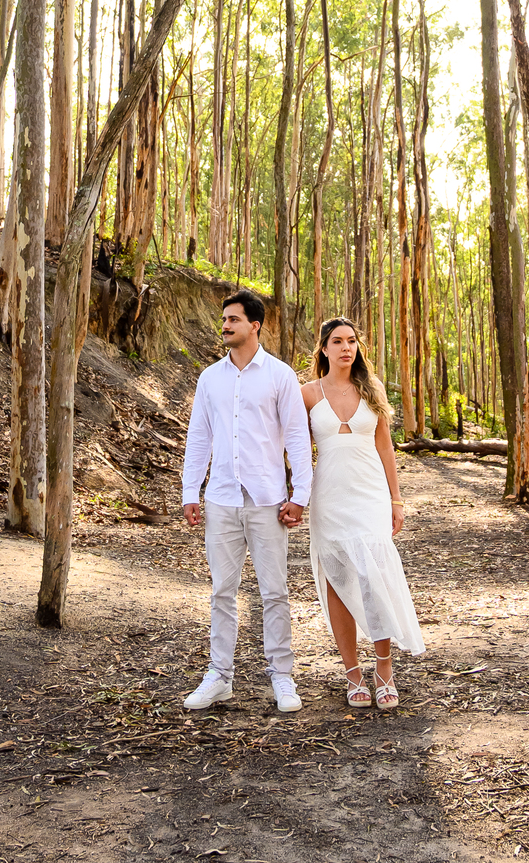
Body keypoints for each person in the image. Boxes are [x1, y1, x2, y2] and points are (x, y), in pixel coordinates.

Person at [181, 289, 312, 714]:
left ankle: (282, 676)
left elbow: (296, 436)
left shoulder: (279, 375)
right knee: (222, 591)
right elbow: (199, 437)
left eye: (233, 319)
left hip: (268, 501)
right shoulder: (209, 378)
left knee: (274, 592)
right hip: (220, 499)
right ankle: (219, 676)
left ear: (255, 325)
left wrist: (300, 495)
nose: (225, 325)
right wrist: (190, 491)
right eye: (224, 319)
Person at [301, 316, 424, 709]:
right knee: (338, 582)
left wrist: (397, 499)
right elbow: (298, 453)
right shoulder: (305, 394)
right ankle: (353, 673)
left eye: (352, 340)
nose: (346, 347)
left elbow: (386, 448)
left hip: (369, 494)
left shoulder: (371, 389)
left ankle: (384, 669)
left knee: (375, 578)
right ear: (324, 349)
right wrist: (293, 496)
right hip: (330, 498)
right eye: (337, 341)